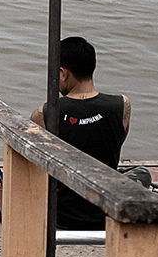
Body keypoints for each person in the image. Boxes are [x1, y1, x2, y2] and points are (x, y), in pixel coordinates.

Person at [31, 35, 134, 230]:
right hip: (105, 216)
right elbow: (114, 146)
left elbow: (36, 167)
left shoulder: (44, 114)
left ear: (63, 73)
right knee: (138, 176)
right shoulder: (122, 106)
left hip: (62, 218)